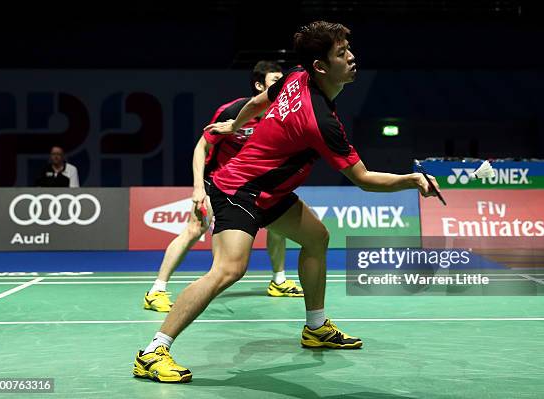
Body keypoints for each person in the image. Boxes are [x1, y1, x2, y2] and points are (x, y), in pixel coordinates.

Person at [133, 21, 440, 383]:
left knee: (317, 238)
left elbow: (258, 101)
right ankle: (154, 351)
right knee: (229, 269)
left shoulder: (297, 77)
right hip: (238, 189)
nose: (352, 58)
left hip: (269, 193)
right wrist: (411, 180)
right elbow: (364, 179)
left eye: (349, 49)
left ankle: (315, 326)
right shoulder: (321, 122)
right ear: (321, 67)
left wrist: (234, 126)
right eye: (342, 54)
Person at [143, 61, 303, 313]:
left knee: (277, 225)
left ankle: (279, 280)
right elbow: (201, 147)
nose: (281, 86)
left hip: (249, 184)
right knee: (195, 229)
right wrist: (199, 188)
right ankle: (156, 291)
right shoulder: (234, 110)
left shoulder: (279, 116)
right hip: (215, 179)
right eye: (275, 81)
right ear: (260, 85)